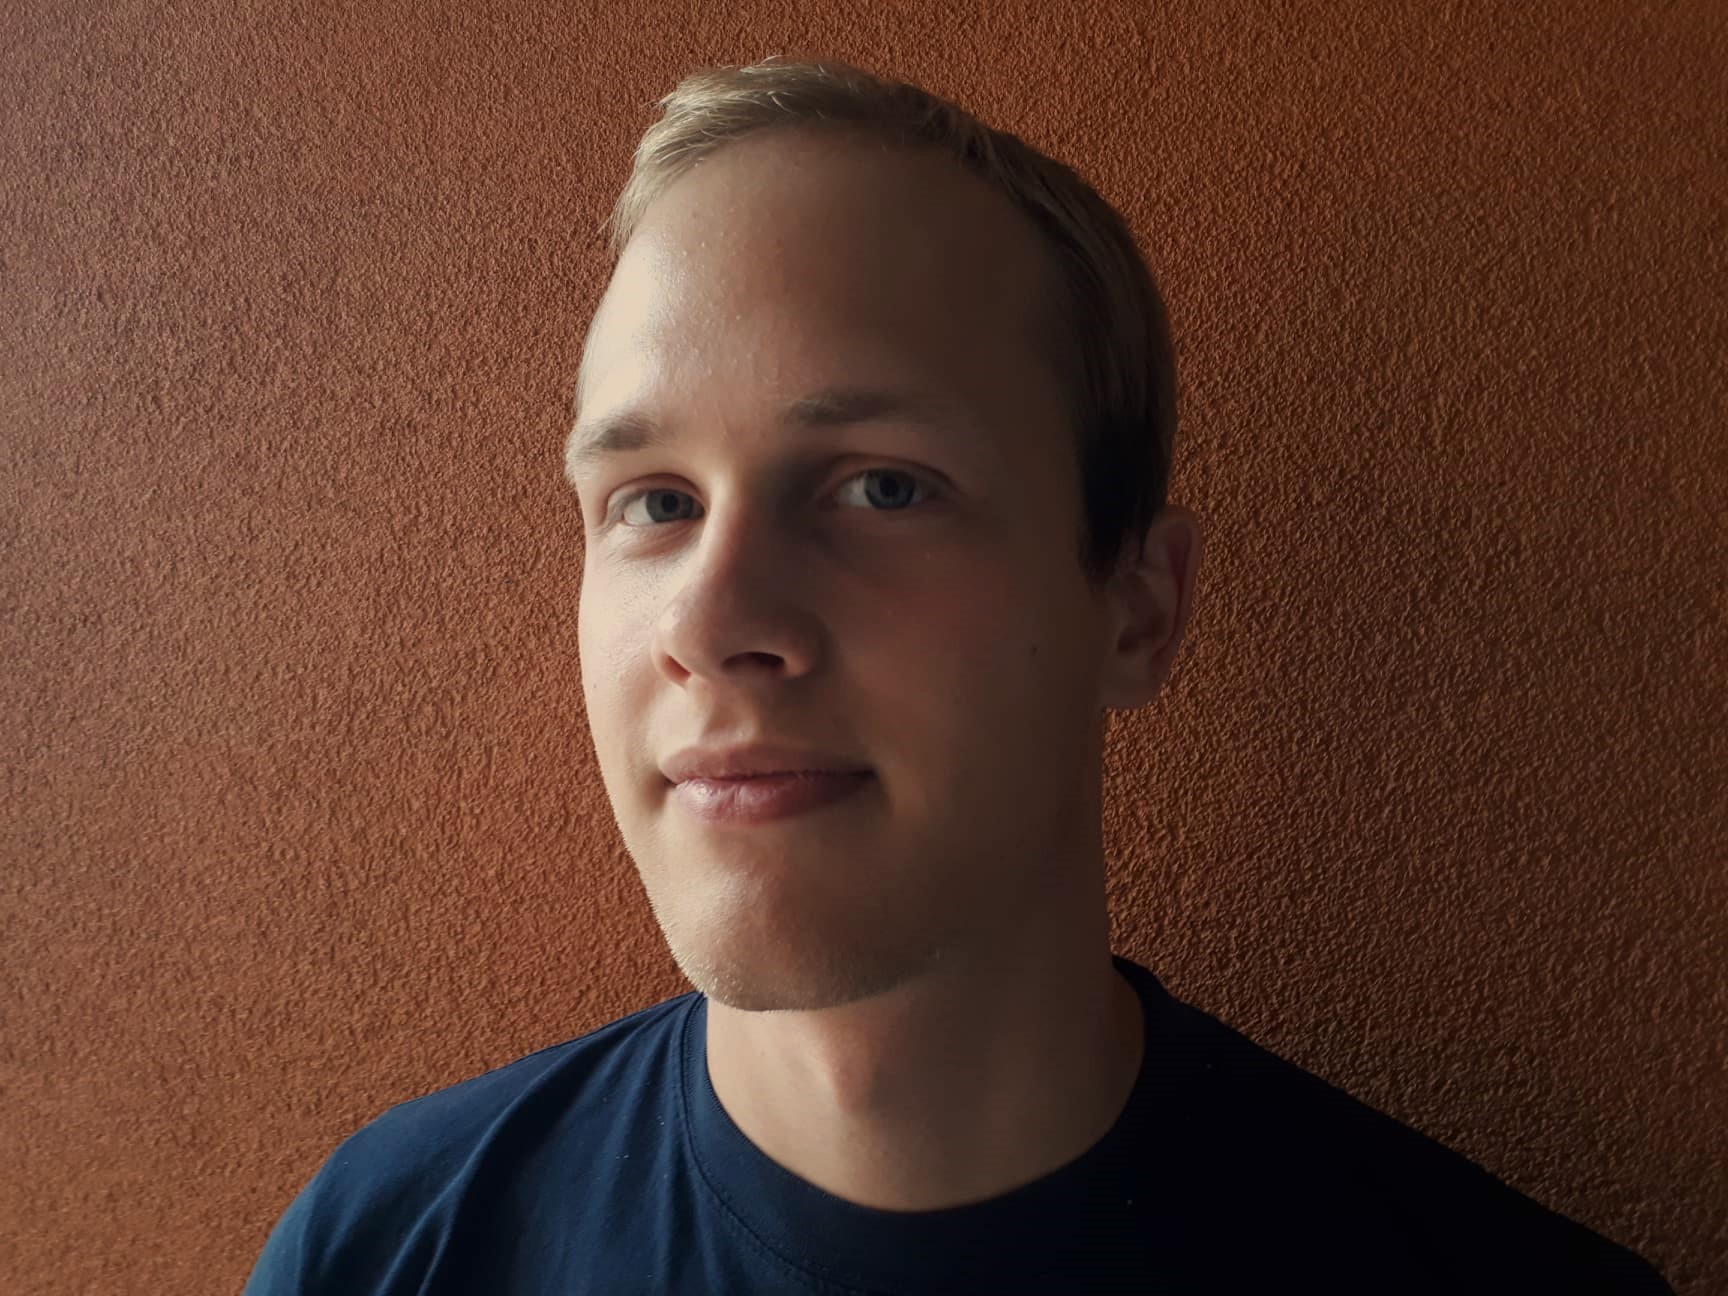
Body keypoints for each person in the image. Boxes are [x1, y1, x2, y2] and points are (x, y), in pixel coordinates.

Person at [242, 54, 1672, 1294]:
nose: (712, 618)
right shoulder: (386, 1249)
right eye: (654, 502)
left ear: (1138, 611)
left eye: (882, 488)